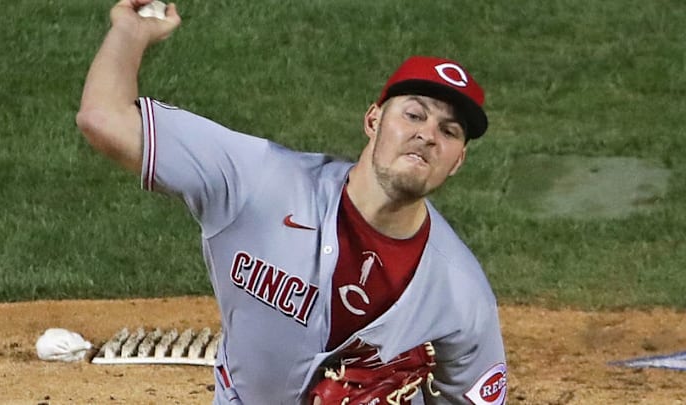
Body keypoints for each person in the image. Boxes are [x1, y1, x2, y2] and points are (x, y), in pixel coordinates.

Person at [76, 1, 507, 404]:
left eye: (449, 131)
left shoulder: (463, 296)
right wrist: (129, 32)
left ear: (457, 161)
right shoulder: (256, 180)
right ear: (373, 120)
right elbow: (104, 118)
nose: (428, 134)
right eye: (414, 114)